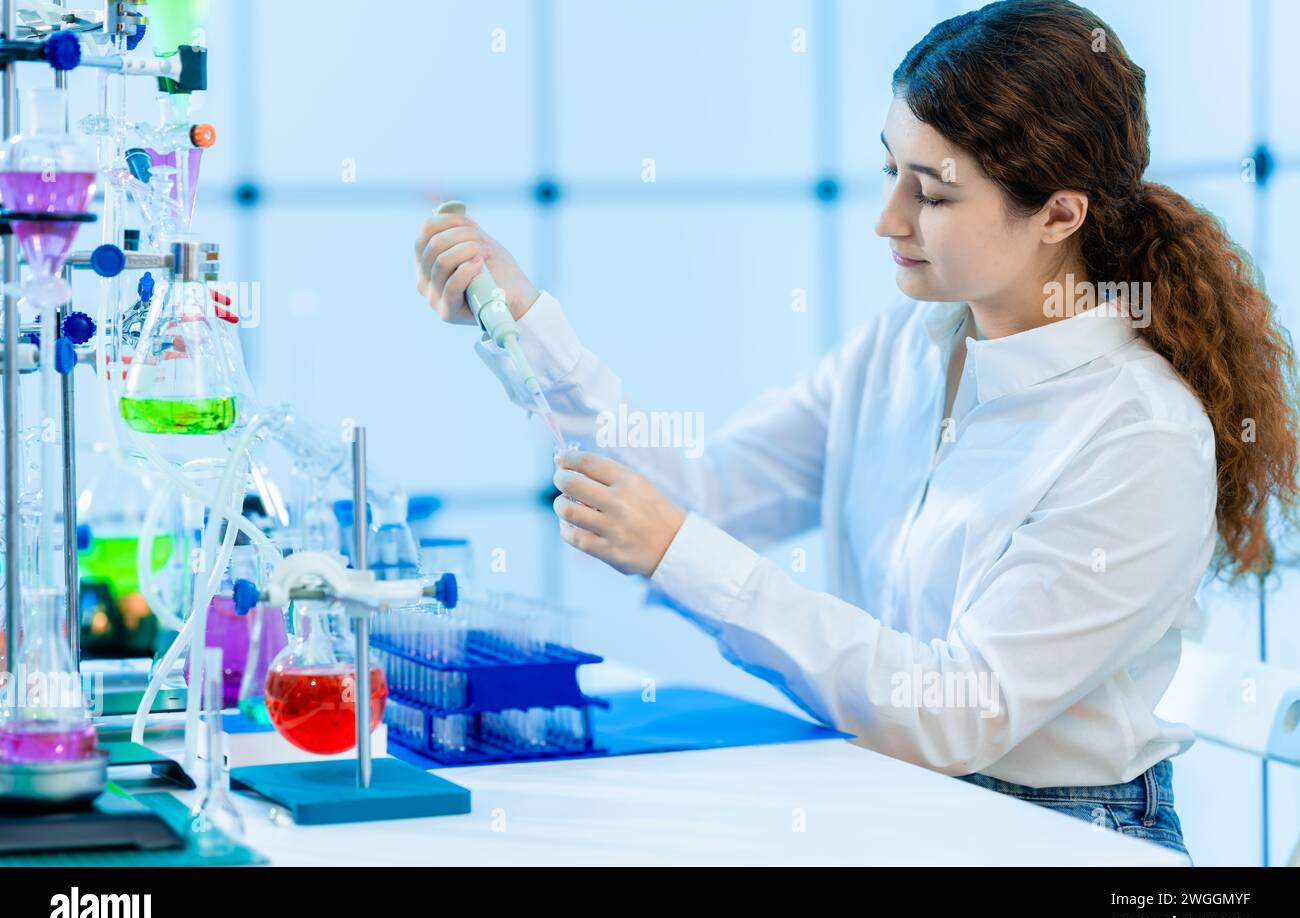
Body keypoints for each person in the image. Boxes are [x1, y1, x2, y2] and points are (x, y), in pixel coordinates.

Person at [413, 0, 1298, 863]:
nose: (888, 220)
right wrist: (522, 320)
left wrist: (680, 547)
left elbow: (955, 711)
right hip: (899, 800)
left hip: (1064, 835)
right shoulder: (906, 344)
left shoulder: (1138, 437)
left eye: (934, 193)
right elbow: (708, 502)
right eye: (889, 172)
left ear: (1060, 215)